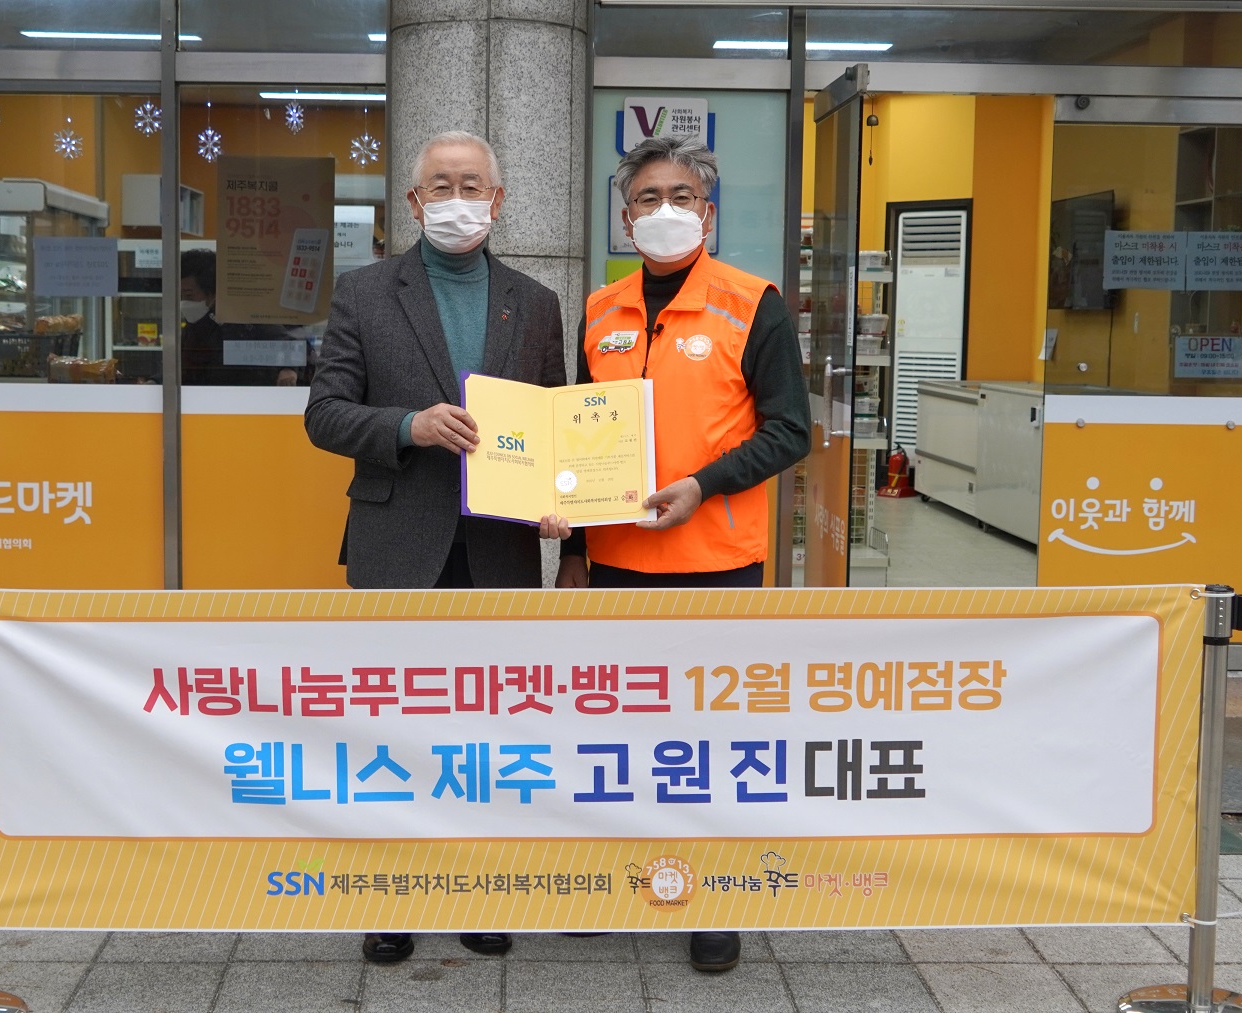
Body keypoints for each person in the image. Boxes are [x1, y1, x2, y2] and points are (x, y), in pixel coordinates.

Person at [541, 134, 812, 973]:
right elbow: (579, 436)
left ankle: (711, 897)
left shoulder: (754, 303)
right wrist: (573, 547)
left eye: (682, 196)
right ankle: (614, 881)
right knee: (617, 737)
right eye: (648, 198)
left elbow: (790, 430)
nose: (666, 210)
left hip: (717, 562)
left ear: (709, 213)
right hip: (618, 562)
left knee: (708, 742)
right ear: (625, 220)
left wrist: (704, 483)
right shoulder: (600, 309)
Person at [305, 130, 567, 963]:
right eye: (441, 186)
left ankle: (481, 888)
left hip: (499, 548)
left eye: (473, 184)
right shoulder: (365, 292)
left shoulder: (535, 302)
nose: (459, 199)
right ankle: (391, 896)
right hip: (398, 541)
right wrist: (407, 426)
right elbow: (324, 413)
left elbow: (555, 423)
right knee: (392, 730)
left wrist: (561, 501)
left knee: (489, 729)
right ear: (415, 202)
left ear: (499, 198)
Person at [179, 248, 299, 387]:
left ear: (213, 293)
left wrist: (288, 369)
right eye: (180, 296)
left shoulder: (245, 318)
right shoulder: (193, 327)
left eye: (189, 295)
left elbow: (285, 342)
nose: (183, 302)